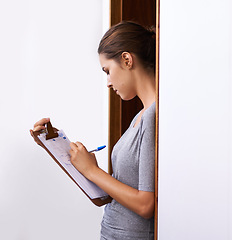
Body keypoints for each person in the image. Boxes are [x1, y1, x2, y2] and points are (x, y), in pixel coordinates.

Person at [31, 21, 156, 239]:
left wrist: (92, 171)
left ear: (127, 60)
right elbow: (126, 189)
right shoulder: (141, 115)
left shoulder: (153, 116)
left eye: (107, 71)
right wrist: (57, 148)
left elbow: (145, 204)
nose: (108, 82)